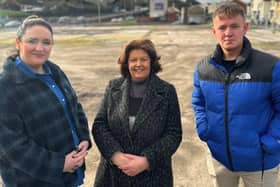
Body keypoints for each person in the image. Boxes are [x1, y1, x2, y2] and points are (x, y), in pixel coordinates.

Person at [192, 2, 280, 187]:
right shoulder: (203, 68)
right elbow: (199, 102)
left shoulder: (271, 66)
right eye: (222, 27)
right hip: (220, 159)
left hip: (260, 162)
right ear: (214, 31)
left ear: (245, 28)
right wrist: (203, 127)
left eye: (234, 26)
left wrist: (272, 140)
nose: (228, 33)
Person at [0, 15, 91, 187]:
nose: (40, 48)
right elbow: (10, 147)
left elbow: (75, 108)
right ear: (18, 43)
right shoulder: (5, 86)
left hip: (68, 177)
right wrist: (59, 164)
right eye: (32, 41)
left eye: (46, 42)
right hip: (31, 182)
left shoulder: (54, 71)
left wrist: (83, 138)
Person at [92, 39, 182, 187]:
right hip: (113, 175)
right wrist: (116, 156)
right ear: (126, 63)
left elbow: (173, 134)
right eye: (133, 60)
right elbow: (100, 125)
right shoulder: (113, 87)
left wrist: (147, 160)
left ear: (152, 62)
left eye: (144, 59)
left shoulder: (166, 91)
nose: (138, 64)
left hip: (153, 176)